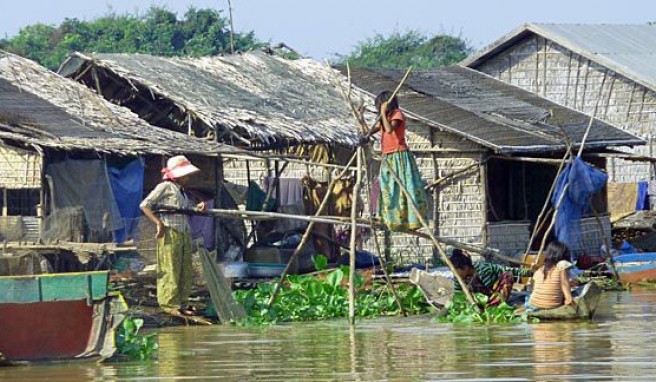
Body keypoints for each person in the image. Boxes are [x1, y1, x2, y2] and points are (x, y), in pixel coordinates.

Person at [140, 155, 205, 316]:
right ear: (177, 175)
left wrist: (198, 207)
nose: (188, 178)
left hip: (184, 233)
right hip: (170, 232)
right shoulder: (165, 187)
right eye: (186, 175)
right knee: (170, 268)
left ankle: (182, 302)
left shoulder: (182, 192)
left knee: (184, 269)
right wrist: (158, 223)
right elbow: (145, 205)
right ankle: (169, 304)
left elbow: (187, 209)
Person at [362, 91, 428, 231]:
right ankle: (389, 218)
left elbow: (389, 129)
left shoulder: (397, 115)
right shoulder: (384, 118)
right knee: (387, 188)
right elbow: (368, 132)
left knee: (404, 187)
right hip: (388, 157)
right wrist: (361, 117)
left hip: (399, 156)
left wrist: (382, 114)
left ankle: (410, 218)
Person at [450, 248, 532, 306]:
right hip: (477, 301)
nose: (454, 273)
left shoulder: (484, 268)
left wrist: (530, 273)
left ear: (465, 267)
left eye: (456, 270)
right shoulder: (458, 278)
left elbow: (509, 270)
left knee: (508, 275)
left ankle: (496, 304)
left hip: (494, 296)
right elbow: (458, 294)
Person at [527, 241, 574, 311]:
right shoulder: (562, 263)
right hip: (551, 306)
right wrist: (569, 298)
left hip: (533, 305)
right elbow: (564, 283)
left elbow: (534, 287)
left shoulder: (541, 269)